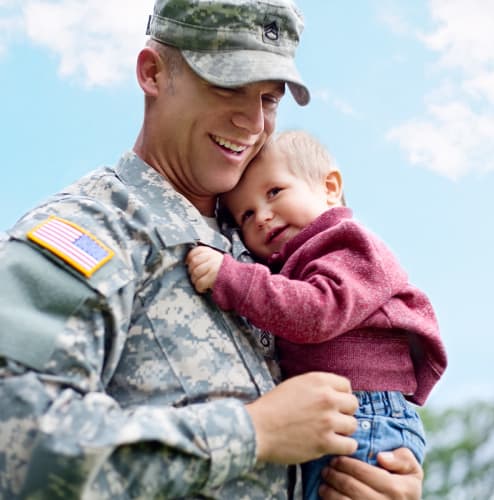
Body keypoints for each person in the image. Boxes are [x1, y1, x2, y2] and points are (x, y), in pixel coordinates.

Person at [0, 0, 424, 498]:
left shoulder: (268, 245)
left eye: (269, 98)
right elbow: (17, 442)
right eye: (228, 85)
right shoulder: (88, 229)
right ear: (153, 73)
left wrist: (379, 475)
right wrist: (253, 432)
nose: (251, 121)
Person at [187, 130, 448, 498]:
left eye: (274, 192)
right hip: (334, 414)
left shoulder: (347, 243)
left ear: (330, 187)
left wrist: (231, 278)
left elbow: (317, 312)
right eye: (245, 214)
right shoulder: (289, 262)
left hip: (364, 413)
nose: (261, 216)